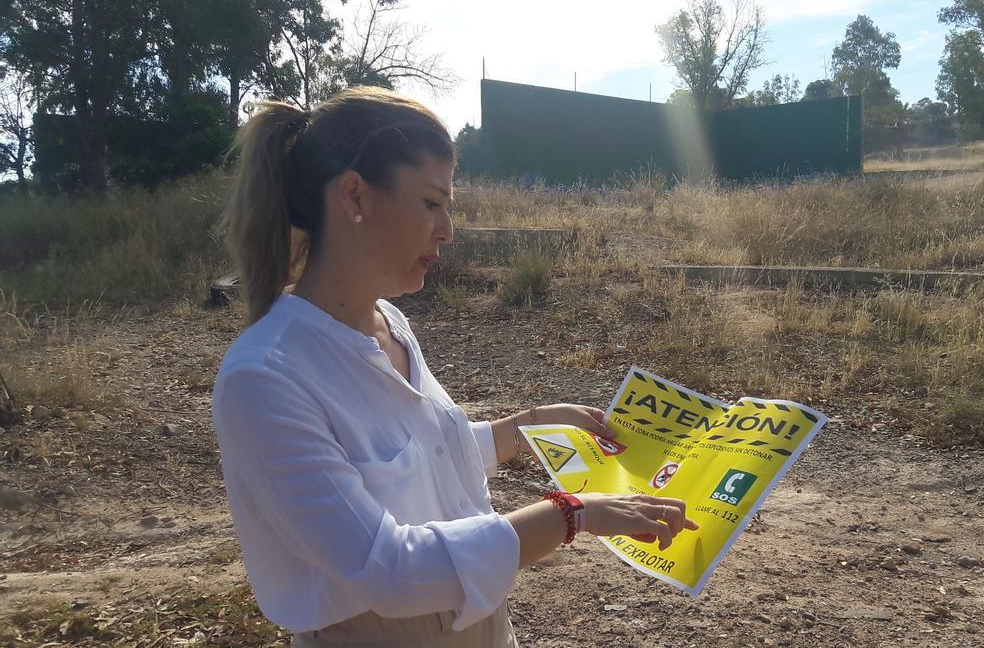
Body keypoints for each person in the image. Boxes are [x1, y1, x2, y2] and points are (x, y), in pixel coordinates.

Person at [211, 86, 698, 647]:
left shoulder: (389, 321)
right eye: (431, 203)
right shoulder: (267, 378)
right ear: (355, 196)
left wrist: (530, 425)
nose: (446, 230)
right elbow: (387, 569)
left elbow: (421, 455)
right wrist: (570, 513)